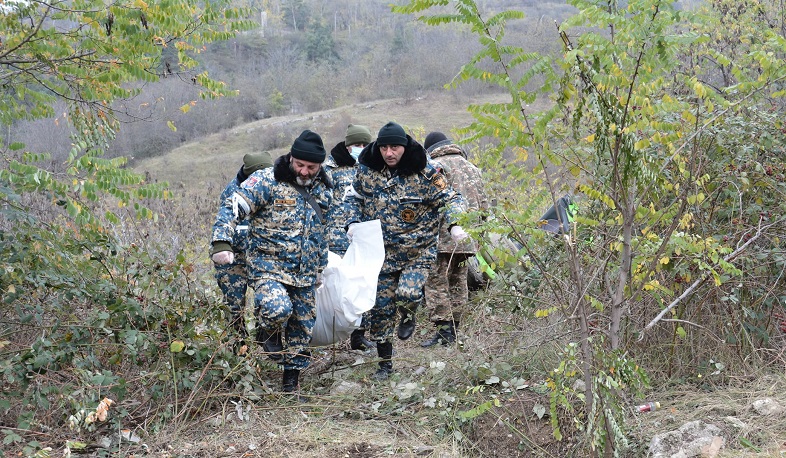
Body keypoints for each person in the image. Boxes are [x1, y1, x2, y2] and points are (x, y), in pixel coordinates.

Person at [211, 130, 333, 395]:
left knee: (303, 327)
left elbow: (322, 230)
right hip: (268, 266)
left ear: (320, 165)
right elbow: (232, 207)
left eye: (311, 167)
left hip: (306, 271)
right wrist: (221, 242)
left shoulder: (325, 188)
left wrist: (321, 267)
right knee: (278, 309)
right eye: (299, 165)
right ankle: (268, 331)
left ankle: (291, 383)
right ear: (291, 158)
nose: (304, 171)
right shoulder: (266, 180)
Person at [344, 121, 467, 380]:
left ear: (405, 146)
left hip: (418, 251)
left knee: (408, 294)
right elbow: (353, 197)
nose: (389, 153)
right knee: (380, 309)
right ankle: (384, 364)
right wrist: (352, 222)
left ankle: (409, 314)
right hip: (381, 253)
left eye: (395, 148)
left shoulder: (426, 171)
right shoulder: (367, 170)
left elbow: (453, 198)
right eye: (384, 147)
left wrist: (455, 224)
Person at [420, 132, 488, 347]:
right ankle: (455, 328)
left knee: (436, 281)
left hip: (443, 236)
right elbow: (485, 205)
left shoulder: (435, 167)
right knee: (458, 280)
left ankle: (444, 332)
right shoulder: (472, 168)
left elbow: (428, 202)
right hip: (469, 237)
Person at [213, 151, 274, 352]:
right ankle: (239, 347)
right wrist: (223, 247)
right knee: (234, 305)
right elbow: (224, 222)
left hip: (261, 256)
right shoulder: (232, 192)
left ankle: (264, 337)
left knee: (266, 299)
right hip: (234, 258)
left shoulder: (274, 188)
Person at [324, 124, 376, 352]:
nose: (361, 148)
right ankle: (328, 331)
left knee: (363, 285)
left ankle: (359, 335)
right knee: (335, 288)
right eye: (357, 145)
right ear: (347, 146)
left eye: (365, 145)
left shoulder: (371, 168)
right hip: (334, 239)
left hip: (361, 238)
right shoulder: (329, 169)